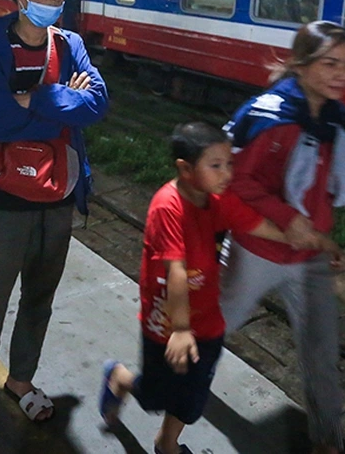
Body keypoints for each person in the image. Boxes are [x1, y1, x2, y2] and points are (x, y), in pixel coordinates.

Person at [0, 0, 109, 453]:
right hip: (7, 200)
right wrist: (64, 100)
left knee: (39, 297)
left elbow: (97, 104)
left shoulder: (72, 43)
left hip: (58, 195)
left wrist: (34, 98)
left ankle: (20, 381)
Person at [99, 122, 313, 454]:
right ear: (185, 169)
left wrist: (301, 238)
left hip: (208, 322)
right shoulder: (166, 206)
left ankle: (166, 443)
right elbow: (177, 272)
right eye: (216, 165)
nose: (226, 173)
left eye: (229, 163)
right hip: (166, 323)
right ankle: (120, 378)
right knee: (156, 394)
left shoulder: (219, 199)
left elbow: (255, 224)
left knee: (192, 395)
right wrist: (181, 329)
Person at [219, 21, 345, 454]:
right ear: (301, 64)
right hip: (256, 250)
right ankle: (144, 383)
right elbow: (232, 180)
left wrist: (325, 241)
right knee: (208, 334)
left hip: (308, 258)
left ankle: (327, 443)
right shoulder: (269, 117)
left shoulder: (332, 120)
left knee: (321, 356)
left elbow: (319, 197)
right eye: (330, 63)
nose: (342, 74)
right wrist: (286, 218)